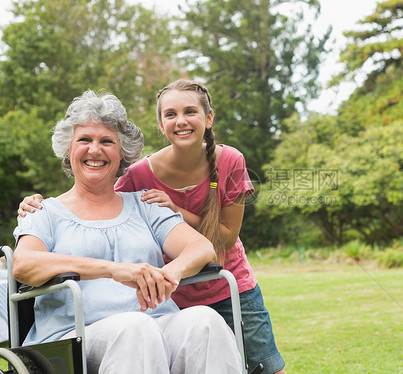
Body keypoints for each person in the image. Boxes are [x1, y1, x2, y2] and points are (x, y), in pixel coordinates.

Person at [20, 80, 285, 374]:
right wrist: (112, 269)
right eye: (84, 140)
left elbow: (202, 248)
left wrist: (171, 272)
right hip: (77, 334)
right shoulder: (43, 210)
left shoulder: (144, 204)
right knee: (136, 328)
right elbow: (25, 264)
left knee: (205, 322)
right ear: (68, 149)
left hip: (154, 321)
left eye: (107, 142)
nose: (95, 150)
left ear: (123, 153)